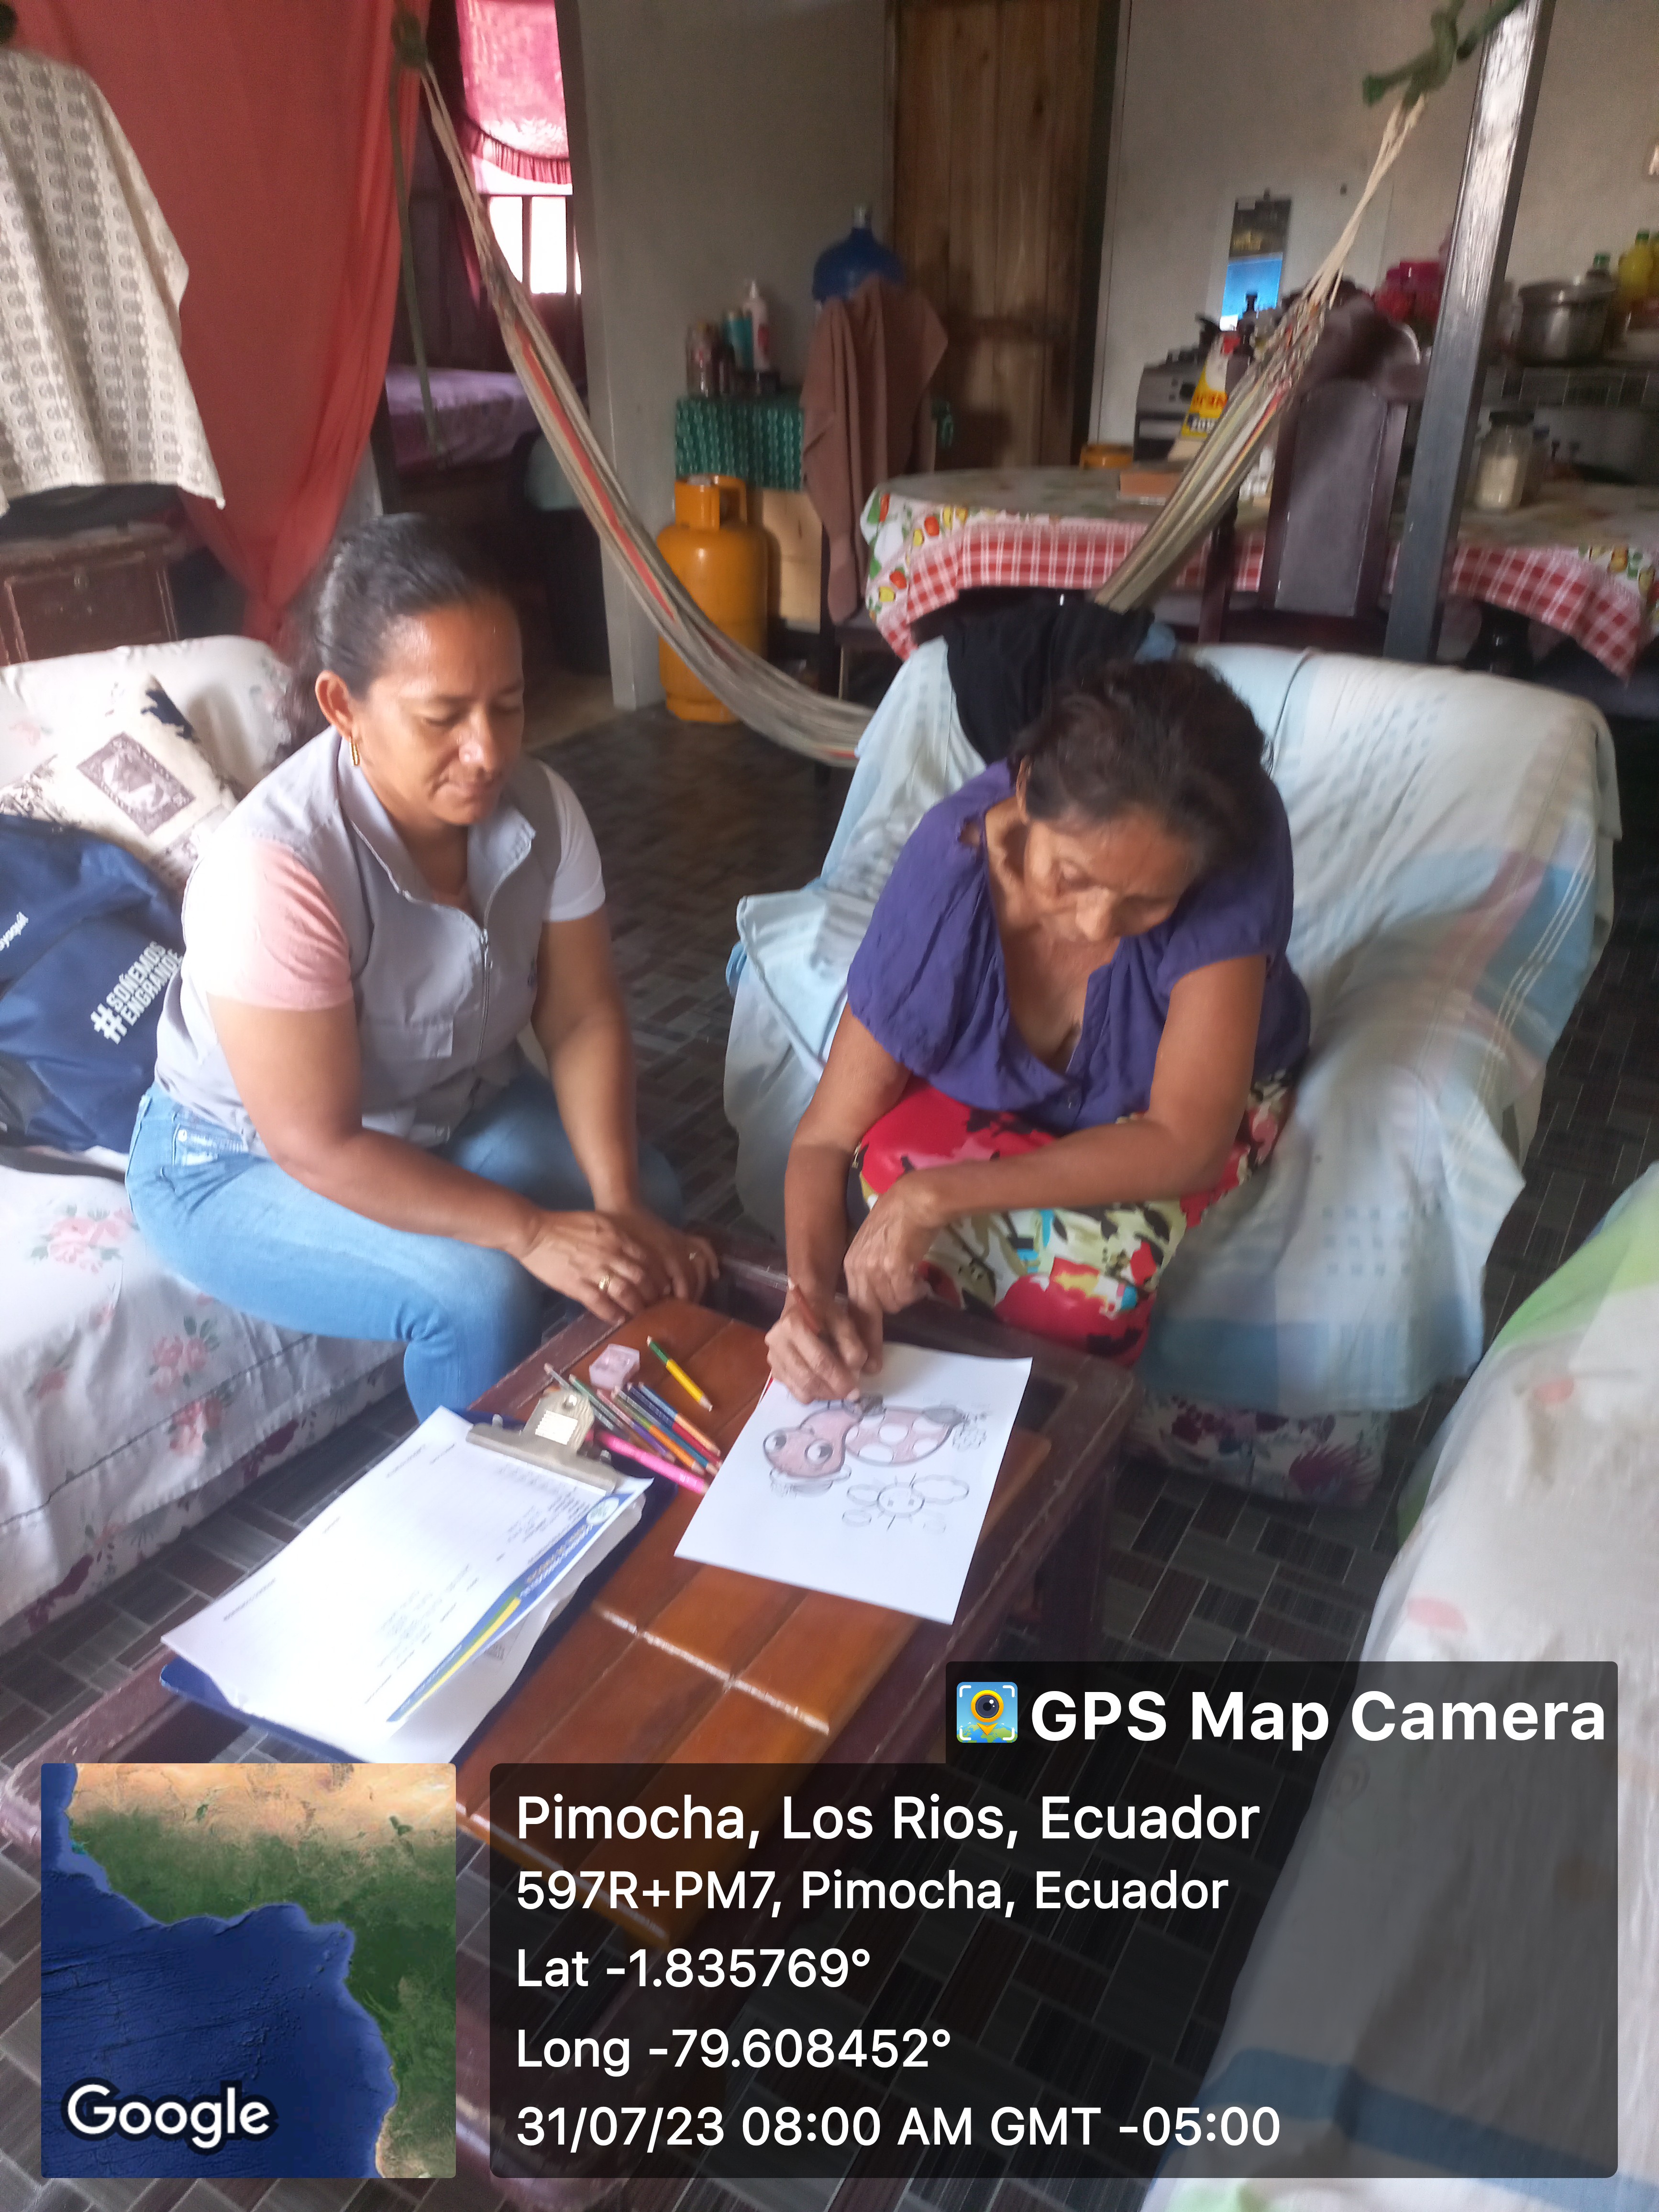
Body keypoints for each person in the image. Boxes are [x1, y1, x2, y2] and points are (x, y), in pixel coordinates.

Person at [128, 515, 714, 1419]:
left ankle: (596, 1433)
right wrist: (531, 1232)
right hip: (238, 1161)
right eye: (442, 719)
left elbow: (581, 1017)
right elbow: (317, 1143)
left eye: (508, 705)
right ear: (342, 708)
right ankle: (489, 1499)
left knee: (650, 1203)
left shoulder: (543, 810)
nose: (488, 752)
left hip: (441, 1109)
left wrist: (620, 1203)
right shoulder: (276, 871)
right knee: (476, 1293)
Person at [766, 656, 1310, 1402]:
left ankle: (1061, 1442)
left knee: (1082, 1286)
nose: (1096, 923)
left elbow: (1186, 1141)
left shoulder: (1229, 845)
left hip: (1167, 1113)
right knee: (879, 1201)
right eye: (1073, 876)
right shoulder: (948, 873)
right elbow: (825, 1139)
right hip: (1012, 1104)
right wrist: (808, 1297)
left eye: (1149, 903)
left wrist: (937, 1195)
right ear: (1024, 790)